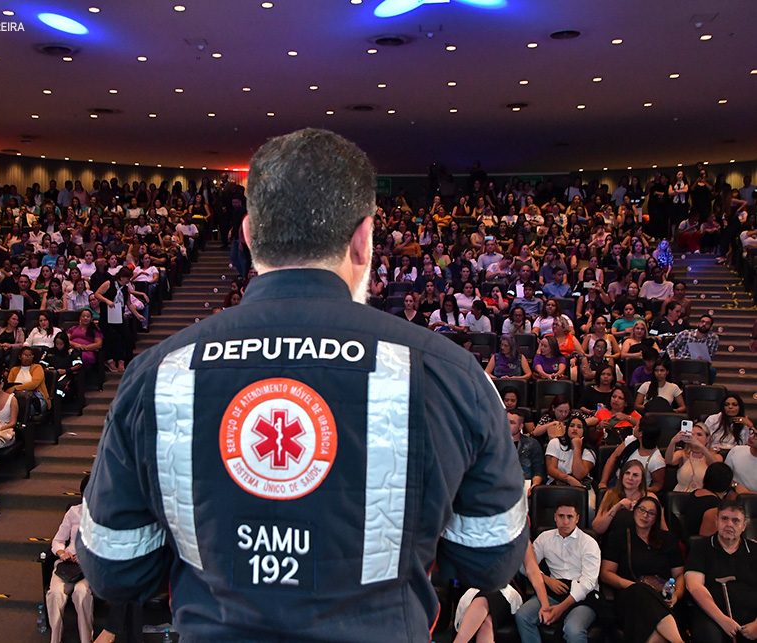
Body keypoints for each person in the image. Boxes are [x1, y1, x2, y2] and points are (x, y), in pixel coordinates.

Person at [76, 128, 527, 641]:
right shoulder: (451, 373)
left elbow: (116, 566)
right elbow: (489, 559)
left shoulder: (155, 374)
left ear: (247, 235)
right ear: (363, 238)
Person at [599, 495, 686, 643]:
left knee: (657, 633)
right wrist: (632, 585)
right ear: (634, 511)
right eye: (642, 510)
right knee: (641, 591)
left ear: (656, 518)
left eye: (651, 513)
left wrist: (677, 594)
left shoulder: (667, 539)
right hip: (630, 596)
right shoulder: (619, 536)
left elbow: (679, 575)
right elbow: (606, 573)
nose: (645, 516)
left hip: (663, 597)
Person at [514, 498, 600, 643]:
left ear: (577, 518)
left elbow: (588, 583)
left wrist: (560, 609)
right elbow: (525, 566)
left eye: (570, 517)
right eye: (561, 516)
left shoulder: (589, 543)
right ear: (555, 517)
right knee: (523, 616)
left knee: (573, 629)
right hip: (554, 589)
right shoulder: (545, 538)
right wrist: (547, 580)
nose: (565, 522)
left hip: (583, 595)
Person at [47, 474, 120, 643]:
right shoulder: (73, 512)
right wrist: (61, 552)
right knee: (54, 594)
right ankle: (55, 639)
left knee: (81, 593)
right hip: (67, 565)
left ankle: (87, 639)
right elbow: (57, 540)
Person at [685, 500, 757, 642]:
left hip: (752, 619)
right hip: (713, 616)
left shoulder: (754, 550)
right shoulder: (700, 548)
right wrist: (722, 620)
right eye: (725, 519)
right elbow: (694, 586)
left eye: (735, 520)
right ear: (717, 521)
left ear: (744, 526)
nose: (729, 524)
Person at [594, 459, 659, 536]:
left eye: (635, 475)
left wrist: (639, 511)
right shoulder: (610, 494)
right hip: (614, 541)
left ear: (642, 479)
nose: (630, 478)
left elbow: (660, 528)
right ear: (621, 476)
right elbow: (597, 528)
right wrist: (616, 507)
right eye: (627, 473)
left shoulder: (649, 497)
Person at [665, 422, 723, 492]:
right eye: (692, 434)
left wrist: (701, 446)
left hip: (702, 497)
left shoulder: (715, 456)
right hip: (681, 496)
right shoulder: (683, 453)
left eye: (699, 434)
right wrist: (673, 442)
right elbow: (668, 461)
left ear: (708, 438)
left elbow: (716, 467)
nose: (695, 437)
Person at [682, 462, 734, 539]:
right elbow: (707, 541)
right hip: (696, 547)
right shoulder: (714, 507)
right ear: (727, 485)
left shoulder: (695, 493)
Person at [509, 410, 544, 496]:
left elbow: (538, 471)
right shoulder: (494, 443)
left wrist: (534, 485)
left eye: (512, 423)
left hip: (524, 485)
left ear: (520, 426)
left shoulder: (532, 444)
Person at [7, 346, 50, 413]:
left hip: (37, 397)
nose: (27, 358)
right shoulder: (14, 370)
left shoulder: (37, 368)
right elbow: (9, 386)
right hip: (16, 397)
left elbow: (34, 384)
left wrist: (16, 388)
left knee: (24, 408)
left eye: (30, 356)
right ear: (20, 357)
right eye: (25, 355)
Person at [724, 426, 757, 494]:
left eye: (756, 436)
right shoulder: (737, 450)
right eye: (752, 432)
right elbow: (724, 476)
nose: (751, 437)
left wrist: (748, 494)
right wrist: (735, 485)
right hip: (734, 494)